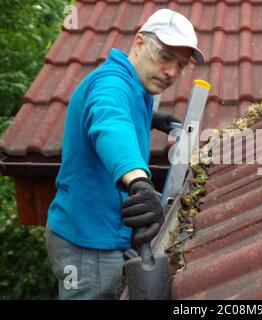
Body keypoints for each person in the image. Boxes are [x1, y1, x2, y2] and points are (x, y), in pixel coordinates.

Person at [45, 9, 205, 300]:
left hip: (108, 231)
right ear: (140, 44)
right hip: (88, 243)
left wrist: (149, 119)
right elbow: (110, 124)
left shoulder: (138, 88)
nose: (171, 72)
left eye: (180, 65)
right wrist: (139, 183)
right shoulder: (112, 83)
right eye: (165, 56)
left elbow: (123, 118)